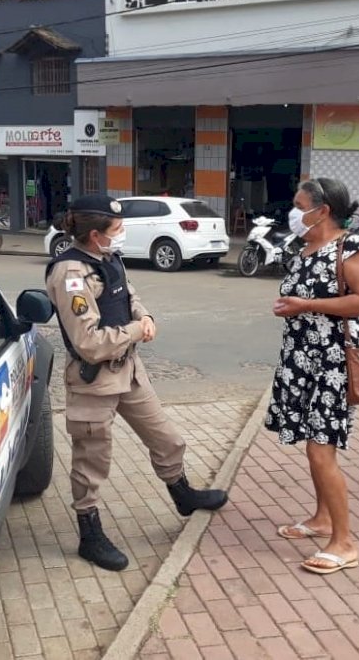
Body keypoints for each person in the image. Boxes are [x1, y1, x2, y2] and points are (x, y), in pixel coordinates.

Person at [45, 194, 227, 572]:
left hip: (129, 371)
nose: (122, 233)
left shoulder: (108, 259)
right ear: (95, 235)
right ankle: (89, 533)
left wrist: (145, 317)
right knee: (91, 462)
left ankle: (183, 494)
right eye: (116, 229)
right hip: (94, 380)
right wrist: (135, 330)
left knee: (167, 438)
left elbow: (129, 296)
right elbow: (88, 342)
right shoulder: (70, 274)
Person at [266, 177, 359, 575]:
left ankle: (344, 543)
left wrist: (305, 305)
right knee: (313, 447)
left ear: (323, 209)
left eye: (300, 205)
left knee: (320, 448)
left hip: (333, 361)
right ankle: (322, 519)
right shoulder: (308, 246)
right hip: (303, 359)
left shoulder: (351, 246)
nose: (294, 213)